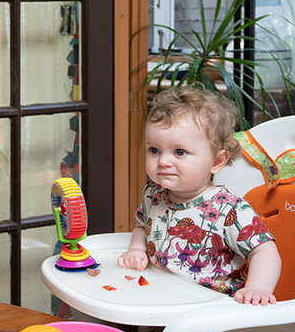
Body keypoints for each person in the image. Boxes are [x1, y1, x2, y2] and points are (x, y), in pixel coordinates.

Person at [118, 85, 281, 305]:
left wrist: (257, 288)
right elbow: (141, 226)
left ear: (216, 161)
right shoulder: (153, 195)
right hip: (157, 296)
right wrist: (136, 250)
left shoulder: (229, 210)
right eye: (154, 150)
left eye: (179, 152)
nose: (163, 161)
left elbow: (265, 251)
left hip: (209, 310)